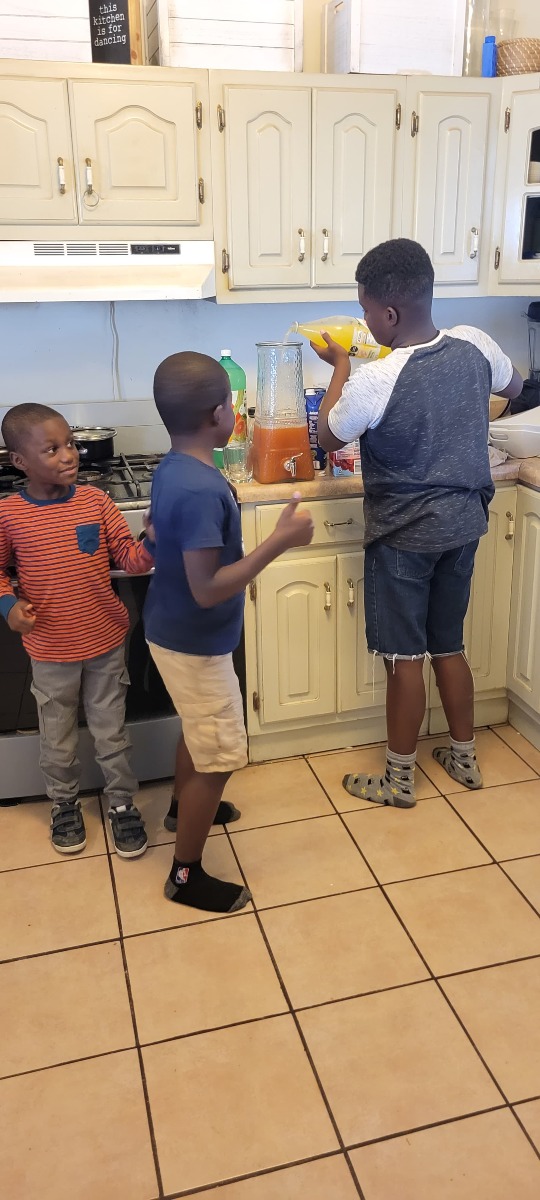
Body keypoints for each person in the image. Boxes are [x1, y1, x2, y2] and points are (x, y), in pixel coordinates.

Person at [313, 238, 523, 808]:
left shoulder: (373, 381)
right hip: (463, 525)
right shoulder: (474, 343)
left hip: (403, 537)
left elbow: (327, 437)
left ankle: (399, 780)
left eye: (363, 309)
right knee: (448, 646)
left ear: (388, 314)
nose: (362, 319)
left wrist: (339, 366)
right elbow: (515, 386)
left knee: (404, 658)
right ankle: (464, 758)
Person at [144, 351, 314, 913]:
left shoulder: (175, 467)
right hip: (194, 643)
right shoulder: (200, 488)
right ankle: (185, 876)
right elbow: (208, 588)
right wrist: (279, 542)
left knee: (198, 730)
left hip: (176, 633)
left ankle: (178, 809)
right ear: (221, 413)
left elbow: (158, 538)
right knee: (217, 756)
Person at [0, 403, 154, 857]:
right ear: (20, 462)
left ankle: (122, 803)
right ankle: (64, 804)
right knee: (57, 733)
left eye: (69, 443)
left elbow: (128, 558)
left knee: (111, 729)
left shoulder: (97, 502)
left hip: (105, 641)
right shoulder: (8, 514)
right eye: (52, 449)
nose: (68, 455)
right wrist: (9, 606)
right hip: (49, 649)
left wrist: (152, 542)